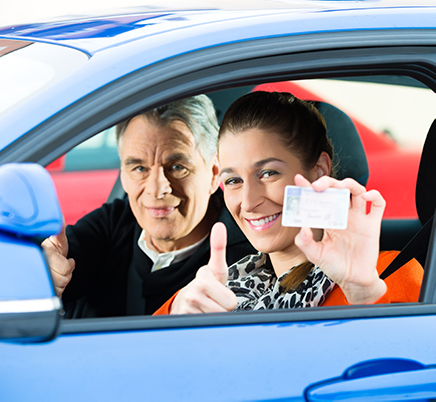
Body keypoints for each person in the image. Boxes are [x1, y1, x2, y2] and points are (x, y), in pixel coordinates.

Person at [154, 91, 423, 315]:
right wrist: (177, 314)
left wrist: (363, 293)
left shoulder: (388, 275)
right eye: (234, 180)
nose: (248, 202)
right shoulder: (216, 288)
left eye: (268, 173)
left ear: (318, 171)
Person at [42, 95, 256, 317]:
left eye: (177, 167)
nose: (157, 188)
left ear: (213, 174)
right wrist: (43, 276)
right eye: (139, 169)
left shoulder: (250, 254)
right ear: (123, 175)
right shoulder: (113, 224)